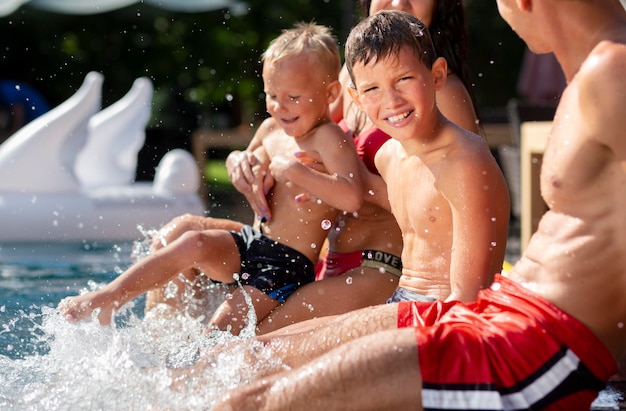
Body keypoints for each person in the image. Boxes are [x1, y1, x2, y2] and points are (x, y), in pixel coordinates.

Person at [209, 4, 626, 409]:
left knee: (251, 400)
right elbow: (379, 193)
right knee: (246, 359)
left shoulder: (612, 72)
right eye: (371, 89)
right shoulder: (596, 74)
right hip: (497, 315)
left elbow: (465, 299)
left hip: (524, 347)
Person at [148, 0, 491, 334]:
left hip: (376, 266)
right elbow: (295, 134)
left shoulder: (439, 93)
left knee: (244, 340)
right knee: (176, 236)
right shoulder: (350, 76)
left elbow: (445, 212)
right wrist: (243, 160)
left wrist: (348, 182)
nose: (398, 2)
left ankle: (187, 371)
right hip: (310, 255)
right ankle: (158, 359)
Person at [58, 22, 364, 333]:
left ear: (330, 92)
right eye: (271, 94)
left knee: (218, 331)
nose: (279, 106)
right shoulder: (271, 129)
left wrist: (295, 171)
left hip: (285, 266)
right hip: (253, 240)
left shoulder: (330, 139)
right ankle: (111, 297)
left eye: (293, 97)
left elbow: (352, 196)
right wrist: (242, 163)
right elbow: (245, 165)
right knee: (194, 241)